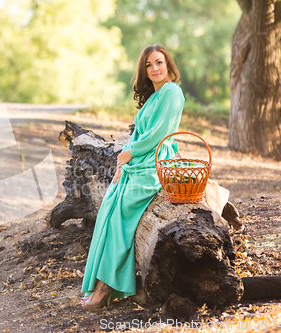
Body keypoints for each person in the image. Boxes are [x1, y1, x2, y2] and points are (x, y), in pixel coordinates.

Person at [80, 44, 185, 310]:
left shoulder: (172, 92)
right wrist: (123, 161)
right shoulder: (154, 97)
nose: (154, 69)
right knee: (109, 206)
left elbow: (158, 134)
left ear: (168, 65)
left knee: (122, 211)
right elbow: (138, 135)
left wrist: (130, 153)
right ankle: (112, 284)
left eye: (159, 63)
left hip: (156, 160)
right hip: (140, 159)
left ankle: (105, 289)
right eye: (148, 65)